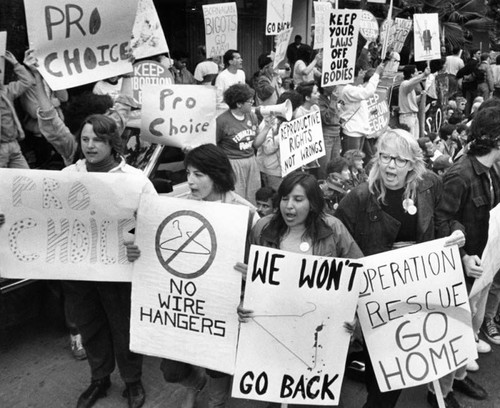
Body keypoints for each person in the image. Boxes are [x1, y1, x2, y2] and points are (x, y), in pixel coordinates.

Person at [335, 128, 468, 408]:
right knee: (381, 372)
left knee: (403, 365)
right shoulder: (359, 198)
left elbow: (445, 220)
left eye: (399, 160)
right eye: (385, 157)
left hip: (417, 290)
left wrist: (455, 233)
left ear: (413, 165)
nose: (390, 165)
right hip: (377, 299)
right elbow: (338, 244)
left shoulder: (429, 184)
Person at [127, 144, 258, 408]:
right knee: (172, 370)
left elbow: (264, 266)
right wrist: (136, 252)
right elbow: (153, 252)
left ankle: (216, 401)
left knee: (218, 367)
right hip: (183, 305)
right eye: (188, 173)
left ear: (218, 174)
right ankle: (194, 383)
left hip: (223, 307)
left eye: (199, 174)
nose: (190, 181)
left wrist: (252, 272)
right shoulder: (174, 208)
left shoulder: (246, 214)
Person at [237, 171, 363, 408]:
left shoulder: (333, 229)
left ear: (313, 203)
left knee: (317, 396)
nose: (289, 206)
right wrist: (244, 302)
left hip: (321, 329)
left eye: (298, 199)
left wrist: (354, 315)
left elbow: (358, 273)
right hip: (275, 326)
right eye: (285, 198)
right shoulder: (263, 228)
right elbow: (248, 275)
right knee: (277, 393)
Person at [62, 114, 155, 408]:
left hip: (117, 269)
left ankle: (132, 381)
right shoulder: (66, 176)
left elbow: (150, 220)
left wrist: (135, 242)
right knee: (89, 325)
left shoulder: (134, 180)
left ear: (112, 142)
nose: (90, 146)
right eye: (85, 139)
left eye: (98, 140)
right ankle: (99, 379)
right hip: (78, 268)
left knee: (122, 325)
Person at [437, 104, 500, 374]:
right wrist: (462, 257)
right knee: (456, 325)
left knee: (473, 314)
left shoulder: (491, 170)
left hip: (483, 265)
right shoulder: (460, 175)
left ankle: (466, 355)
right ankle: (451, 379)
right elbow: (441, 222)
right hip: (462, 271)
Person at [216, 83, 274, 204]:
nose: (252, 102)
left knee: (253, 195)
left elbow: (255, 144)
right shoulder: (222, 121)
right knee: (237, 198)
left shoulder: (251, 116)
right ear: (239, 104)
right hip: (233, 163)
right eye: (249, 101)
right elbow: (214, 145)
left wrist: (267, 127)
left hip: (251, 160)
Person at [338, 62, 385, 154]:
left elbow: (362, 110)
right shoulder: (347, 89)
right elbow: (368, 92)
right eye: (360, 73)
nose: (362, 75)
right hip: (352, 131)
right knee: (352, 161)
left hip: (359, 130)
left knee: (357, 162)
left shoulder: (353, 89)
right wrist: (377, 73)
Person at [0, 50, 35, 169]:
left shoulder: (7, 90)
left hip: (13, 144)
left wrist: (16, 64)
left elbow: (28, 81)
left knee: (26, 178)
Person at [398, 65, 431, 139]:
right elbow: (411, 83)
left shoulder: (410, 88)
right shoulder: (405, 84)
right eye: (416, 72)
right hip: (407, 117)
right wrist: (423, 75)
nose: (418, 73)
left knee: (415, 141)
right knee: (410, 142)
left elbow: (412, 101)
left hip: (413, 116)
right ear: (411, 74)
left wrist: (421, 96)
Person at [456, 49, 481, 116]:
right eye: (478, 53)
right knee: (471, 101)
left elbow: (460, 72)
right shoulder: (475, 63)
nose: (480, 55)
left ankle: (466, 115)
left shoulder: (469, 62)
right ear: (474, 54)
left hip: (466, 85)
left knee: (467, 101)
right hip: (473, 85)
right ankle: (470, 115)